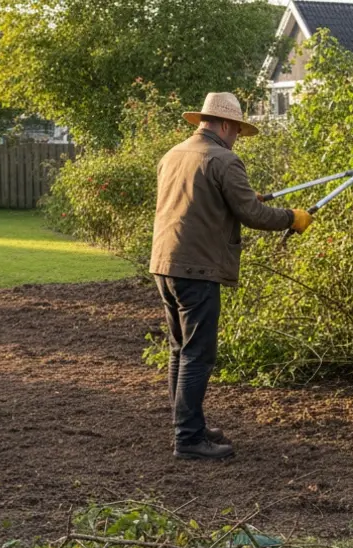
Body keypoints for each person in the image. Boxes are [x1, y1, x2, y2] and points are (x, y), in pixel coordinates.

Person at [149, 92, 311, 460]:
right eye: (236, 129)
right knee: (198, 354)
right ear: (224, 125)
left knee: (180, 349)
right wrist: (293, 218)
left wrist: (239, 198)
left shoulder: (173, 154)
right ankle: (188, 439)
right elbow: (253, 215)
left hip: (164, 264)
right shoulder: (224, 159)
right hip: (197, 269)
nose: (237, 136)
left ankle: (187, 425)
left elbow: (196, 202)